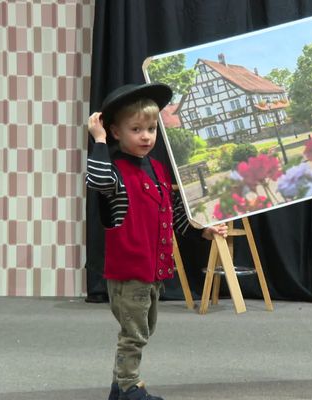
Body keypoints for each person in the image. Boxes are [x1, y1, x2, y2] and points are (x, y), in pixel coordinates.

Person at [86, 82, 227, 400]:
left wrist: (203, 231)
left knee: (141, 330)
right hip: (129, 271)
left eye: (150, 128)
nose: (146, 136)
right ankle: (129, 387)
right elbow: (95, 179)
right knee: (133, 334)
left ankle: (117, 389)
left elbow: (175, 215)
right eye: (136, 129)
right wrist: (98, 140)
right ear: (116, 133)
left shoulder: (160, 169)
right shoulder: (115, 171)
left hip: (153, 270)